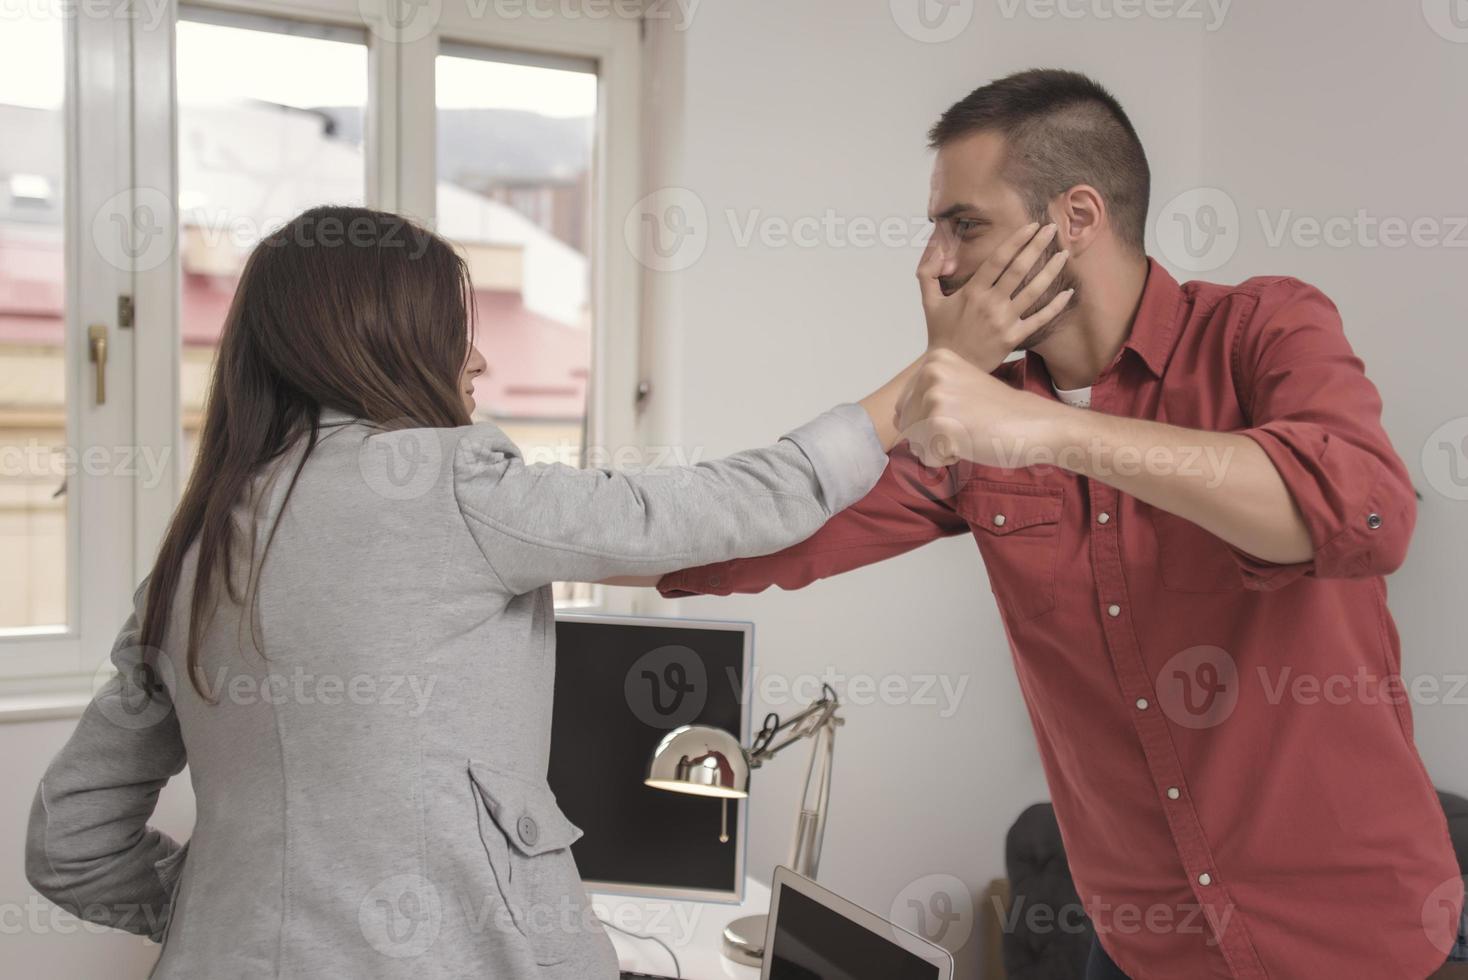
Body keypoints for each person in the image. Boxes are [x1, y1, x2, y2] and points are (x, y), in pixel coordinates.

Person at [656, 69, 1465, 979]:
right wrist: (510, 532)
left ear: (1077, 216)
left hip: (1360, 943)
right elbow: (755, 534)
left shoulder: (1264, 329)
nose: (939, 264)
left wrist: (1051, 430)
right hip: (1141, 954)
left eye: (965, 224)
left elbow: (1362, 510)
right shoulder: (974, 428)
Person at [23, 205, 973, 978]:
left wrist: (230, 919)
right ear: (380, 343)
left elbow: (70, 842)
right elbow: (731, 505)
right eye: (455, 336)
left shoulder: (190, 553)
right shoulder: (449, 485)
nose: (476, 363)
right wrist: (924, 386)